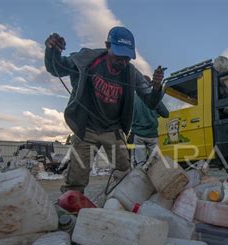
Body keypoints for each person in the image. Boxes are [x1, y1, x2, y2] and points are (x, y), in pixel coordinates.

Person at [44, 26, 164, 193]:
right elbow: (55, 68)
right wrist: (53, 51)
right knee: (76, 177)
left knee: (124, 173)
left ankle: (121, 203)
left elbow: (151, 101)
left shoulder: (131, 73)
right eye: (118, 56)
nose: (122, 62)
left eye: (127, 58)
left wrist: (157, 87)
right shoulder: (88, 59)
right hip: (87, 128)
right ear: (108, 46)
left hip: (112, 130)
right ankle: (70, 208)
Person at [132, 77, 169, 167]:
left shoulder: (132, 99)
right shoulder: (154, 99)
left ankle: (141, 179)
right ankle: (158, 179)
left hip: (138, 135)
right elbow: (166, 113)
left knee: (140, 164)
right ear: (149, 85)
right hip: (152, 136)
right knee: (157, 163)